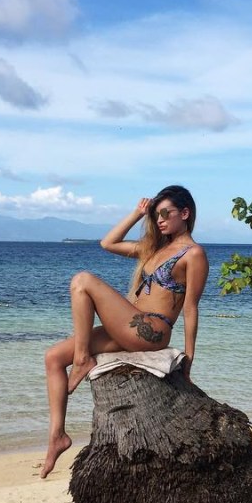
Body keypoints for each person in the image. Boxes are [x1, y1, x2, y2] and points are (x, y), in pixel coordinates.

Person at [41, 185, 208, 478]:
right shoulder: (153, 249)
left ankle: (82, 360)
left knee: (82, 280)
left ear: (185, 213)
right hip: (129, 326)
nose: (160, 220)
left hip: (152, 331)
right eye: (156, 215)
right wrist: (136, 213)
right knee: (53, 358)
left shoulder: (193, 254)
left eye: (166, 213)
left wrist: (188, 359)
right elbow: (108, 242)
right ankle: (58, 436)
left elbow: (191, 308)